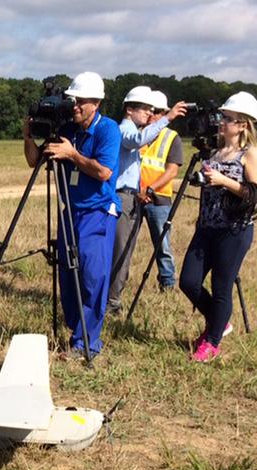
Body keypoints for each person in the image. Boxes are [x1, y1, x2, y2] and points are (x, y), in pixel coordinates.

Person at [23, 71, 119, 357]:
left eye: (81, 101)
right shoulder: (68, 129)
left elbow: (104, 172)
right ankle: (76, 332)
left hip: (98, 211)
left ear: (96, 103)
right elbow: (33, 161)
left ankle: (86, 344)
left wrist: (72, 155)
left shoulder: (108, 130)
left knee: (92, 276)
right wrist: (28, 136)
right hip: (71, 211)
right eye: (72, 100)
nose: (74, 106)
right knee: (67, 275)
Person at [179, 91, 257, 363]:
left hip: (234, 230)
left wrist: (223, 181)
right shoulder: (215, 151)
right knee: (188, 281)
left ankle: (211, 342)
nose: (221, 122)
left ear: (243, 124)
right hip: (206, 226)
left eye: (228, 119)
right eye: (222, 117)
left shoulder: (249, 154)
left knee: (221, 287)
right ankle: (219, 322)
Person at [107, 86, 188, 314]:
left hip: (149, 198)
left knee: (145, 248)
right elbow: (136, 140)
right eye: (144, 109)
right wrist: (169, 118)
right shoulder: (126, 130)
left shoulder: (162, 136)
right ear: (130, 109)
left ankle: (114, 299)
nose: (149, 113)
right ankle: (111, 302)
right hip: (127, 197)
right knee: (121, 252)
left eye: (154, 110)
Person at [137, 90, 184, 291]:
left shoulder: (171, 137)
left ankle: (167, 283)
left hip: (158, 199)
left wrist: (150, 189)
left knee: (162, 245)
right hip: (134, 197)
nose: (151, 115)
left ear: (165, 113)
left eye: (156, 111)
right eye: (149, 110)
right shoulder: (136, 134)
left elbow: (172, 170)